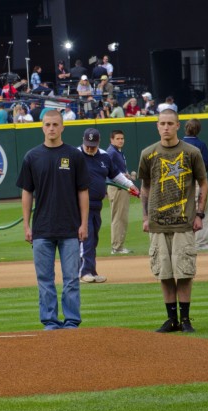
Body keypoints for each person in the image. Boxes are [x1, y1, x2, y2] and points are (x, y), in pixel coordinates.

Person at [16, 109, 90, 330]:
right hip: (42, 228)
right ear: (42, 127)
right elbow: (27, 192)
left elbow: (83, 191)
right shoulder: (32, 156)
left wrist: (84, 223)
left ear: (62, 127)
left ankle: (71, 321)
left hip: (70, 228)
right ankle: (50, 321)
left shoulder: (75, 156)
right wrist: (27, 224)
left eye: (55, 125)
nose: (51, 128)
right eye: (47, 125)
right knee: (45, 281)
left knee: (71, 280)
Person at [138, 108, 208, 333]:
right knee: (165, 273)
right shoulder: (147, 153)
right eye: (162, 123)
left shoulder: (192, 152)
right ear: (157, 126)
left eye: (170, 123)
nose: (166, 127)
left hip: (184, 222)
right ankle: (172, 319)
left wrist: (199, 214)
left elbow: (203, 183)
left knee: (184, 272)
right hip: (158, 223)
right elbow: (145, 187)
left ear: (178, 125)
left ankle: (186, 319)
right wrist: (146, 217)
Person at [78, 128, 137, 283]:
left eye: (93, 145)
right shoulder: (75, 154)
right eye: (87, 145)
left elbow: (115, 174)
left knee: (94, 238)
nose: (90, 148)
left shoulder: (104, 156)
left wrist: (130, 185)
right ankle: (83, 272)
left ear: (98, 142)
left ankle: (91, 270)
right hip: (81, 205)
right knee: (87, 238)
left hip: (97, 204)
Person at [182, 118, 208, 250]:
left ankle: (186, 241)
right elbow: (207, 165)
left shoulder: (179, 143)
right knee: (201, 210)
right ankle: (201, 242)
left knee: (183, 211)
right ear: (199, 130)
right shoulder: (200, 144)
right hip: (196, 181)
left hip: (181, 182)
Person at [107, 130, 136, 255]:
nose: (120, 140)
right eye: (118, 138)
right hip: (117, 187)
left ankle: (118, 246)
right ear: (112, 140)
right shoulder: (111, 152)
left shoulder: (116, 152)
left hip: (120, 186)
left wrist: (127, 175)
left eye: (122, 138)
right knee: (119, 218)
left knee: (121, 217)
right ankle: (117, 247)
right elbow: (109, 171)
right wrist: (123, 176)